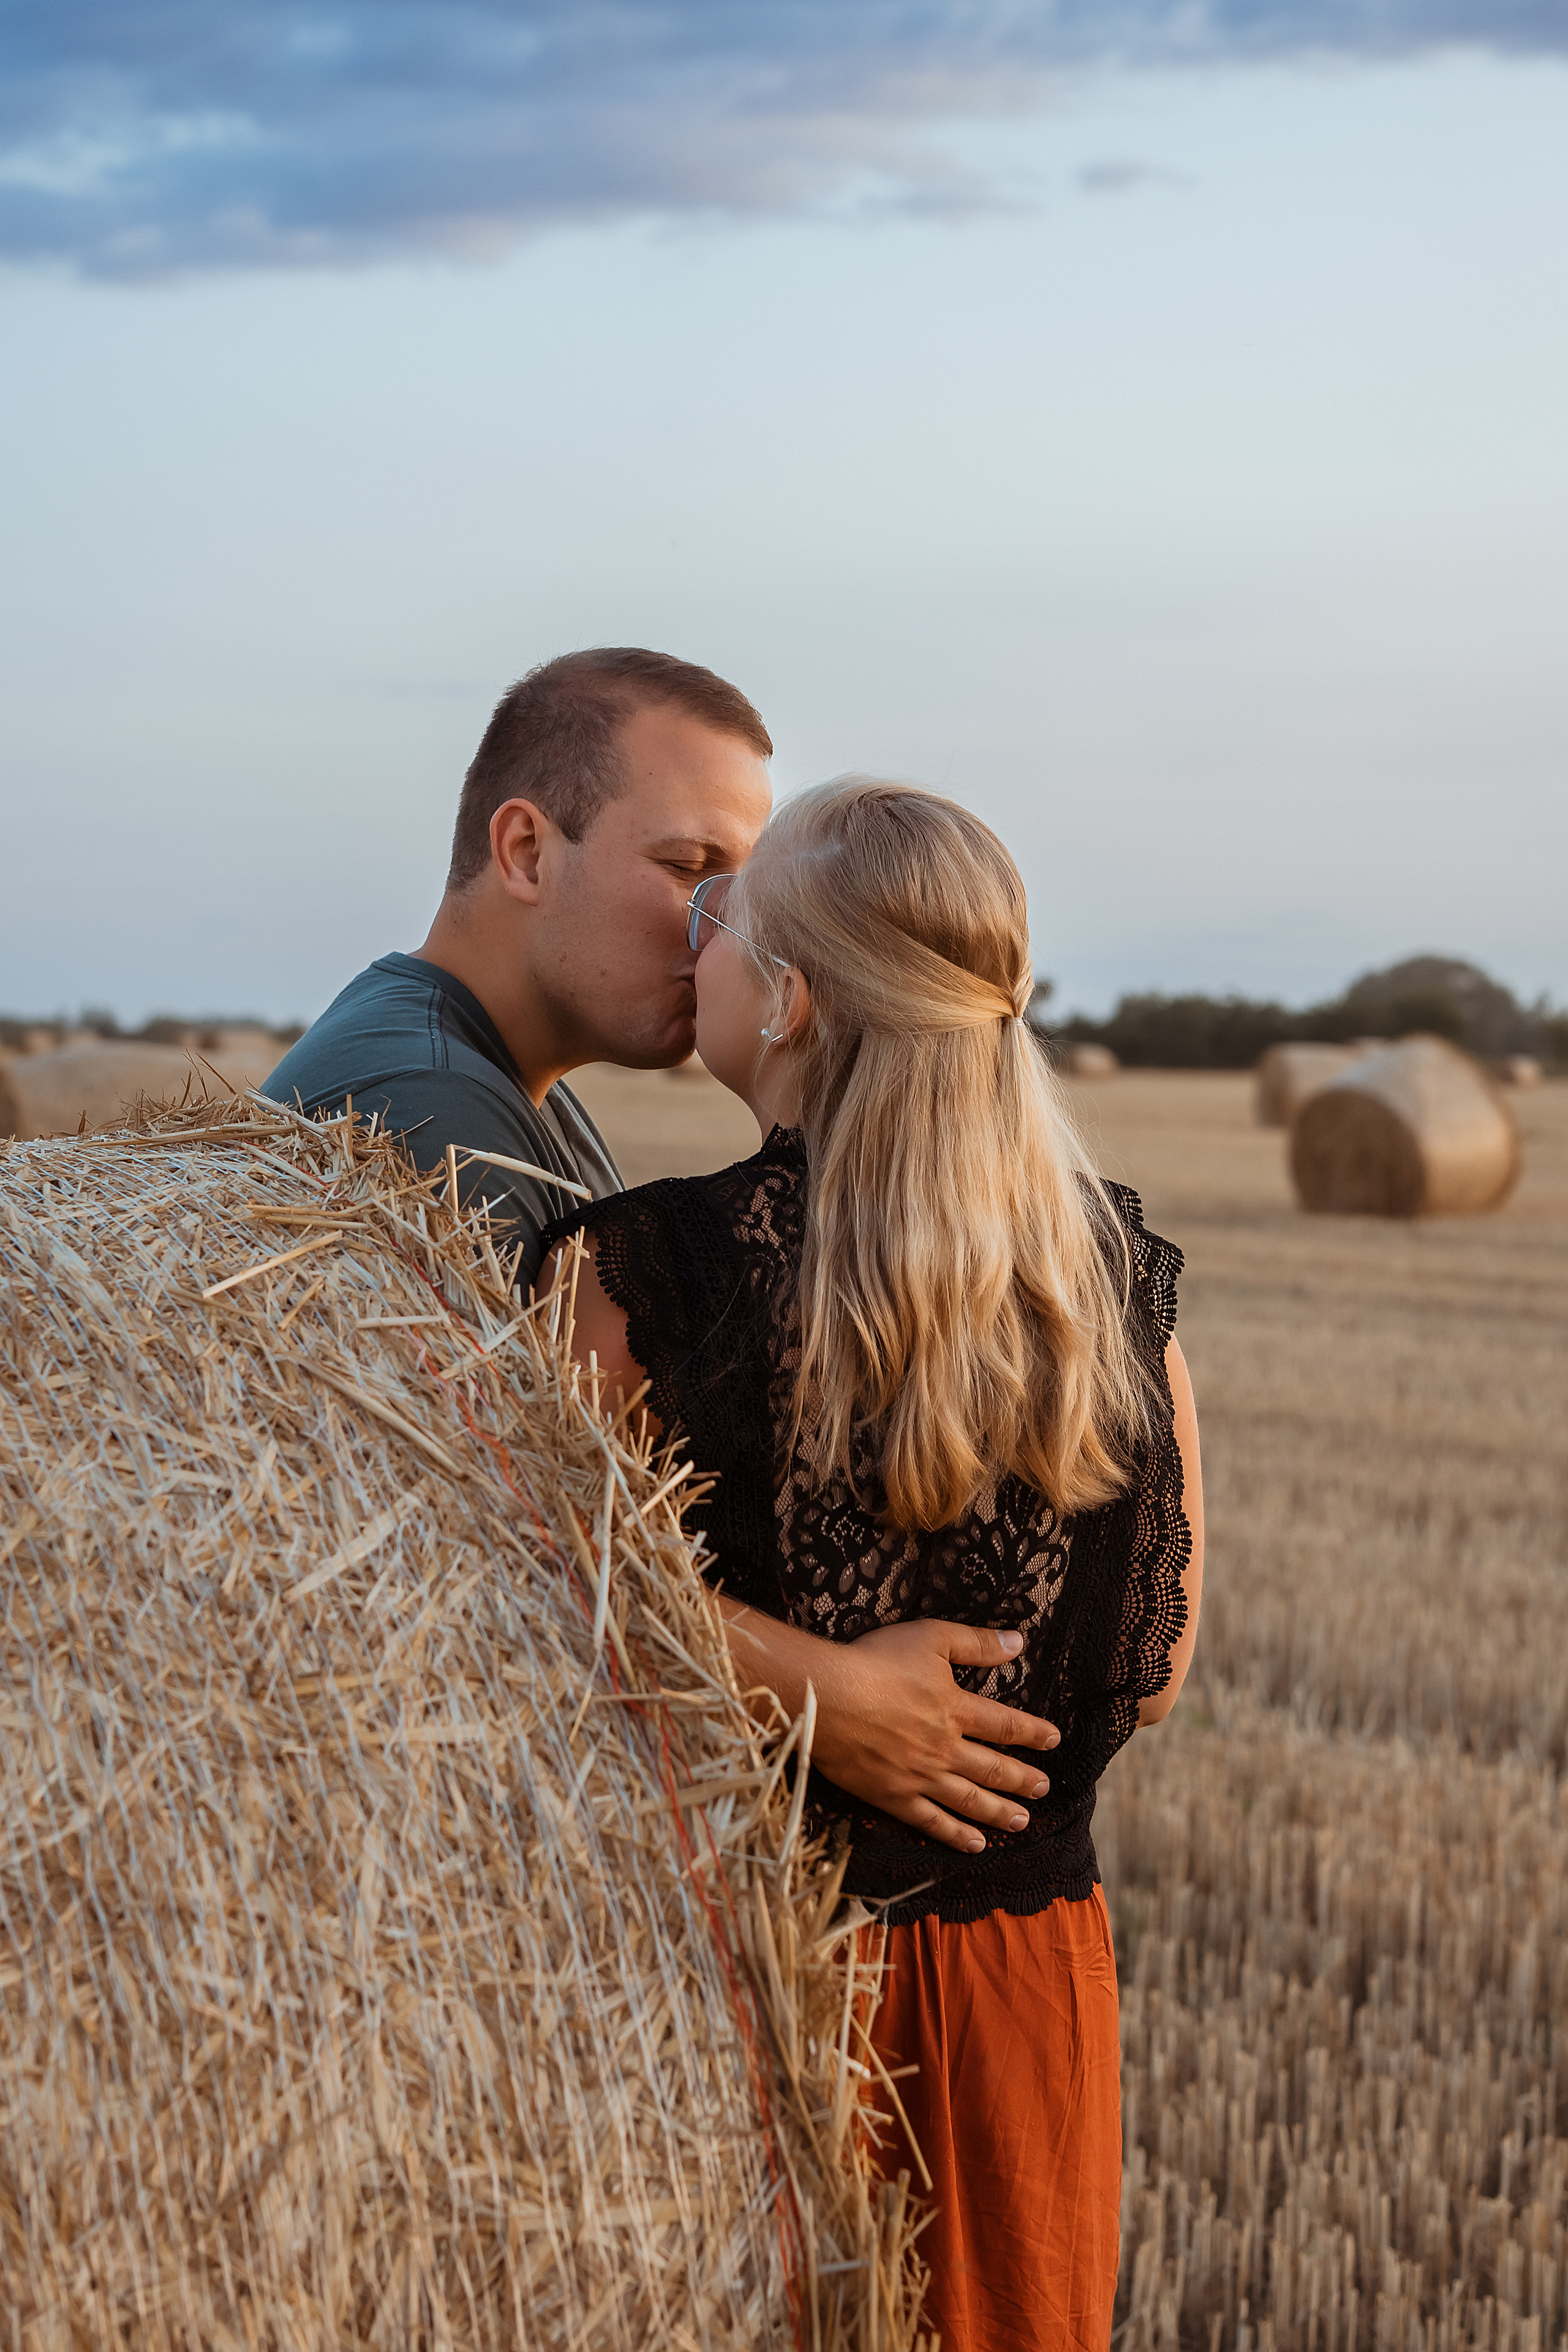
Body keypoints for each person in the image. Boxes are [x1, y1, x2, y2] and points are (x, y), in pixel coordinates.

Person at [542, 778, 1204, 2352]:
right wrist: (836, 1686)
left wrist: (785, 1683)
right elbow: (1156, 1666)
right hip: (1022, 1989)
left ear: (786, 991)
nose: (694, 941)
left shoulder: (632, 1275)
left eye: (727, 915)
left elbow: (506, 1595)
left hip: (736, 1974)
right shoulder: (1109, 1278)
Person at [262, 646, 775, 1286]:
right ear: (527, 853)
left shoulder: (503, 1078)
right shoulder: (428, 1113)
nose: (725, 925)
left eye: (742, 889)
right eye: (686, 866)